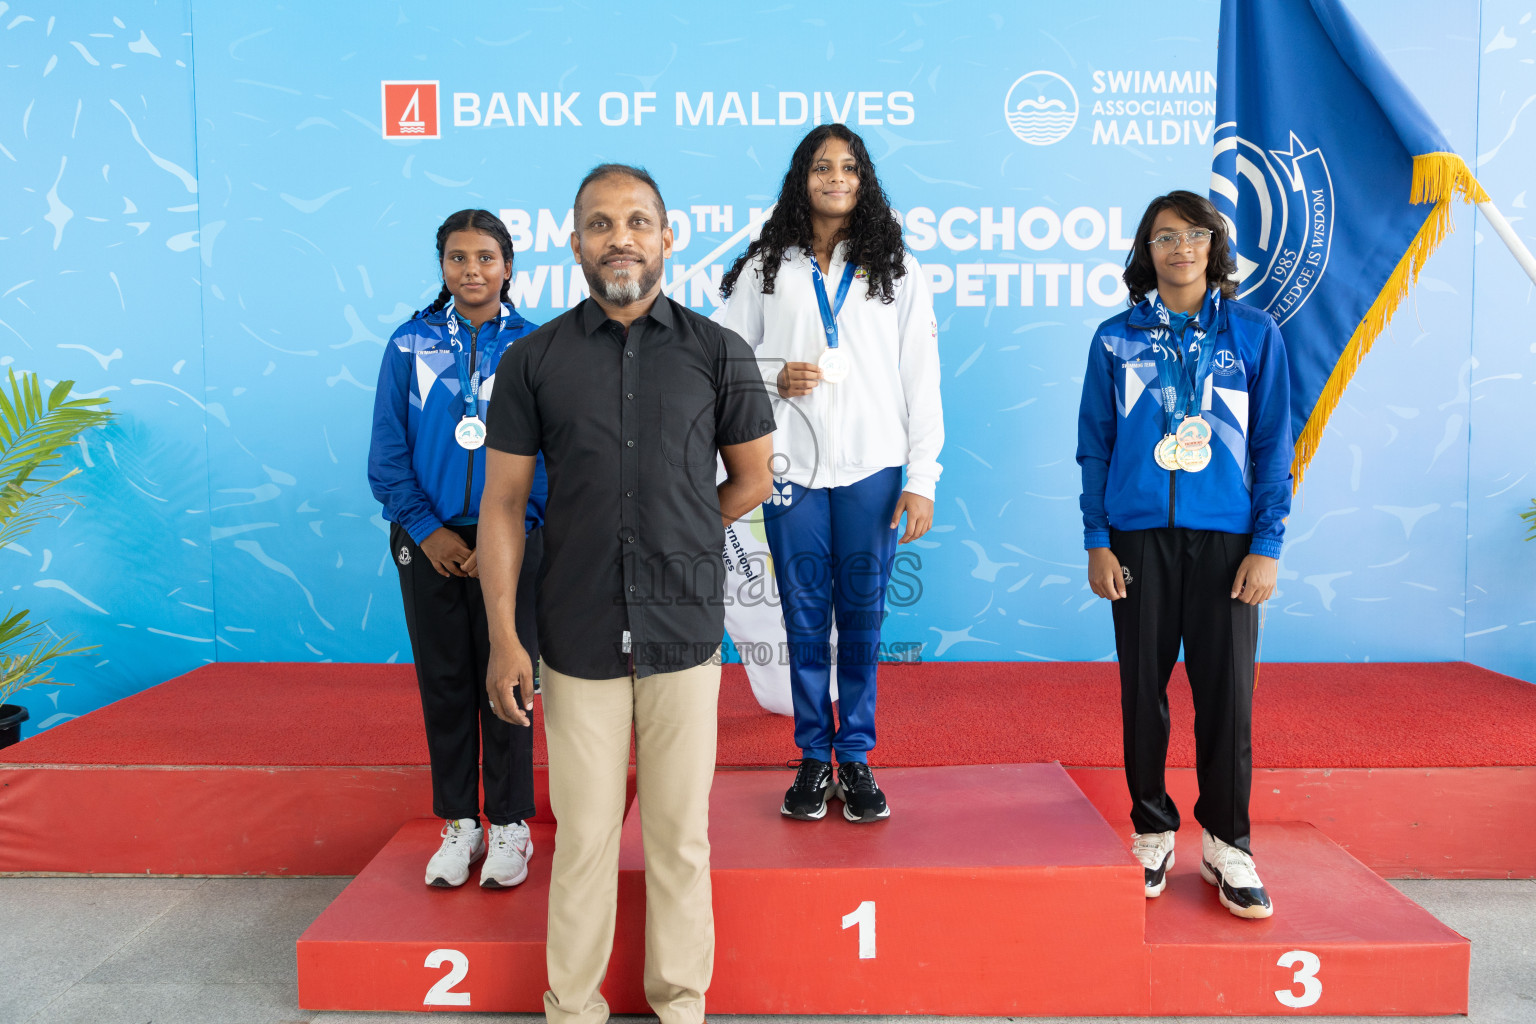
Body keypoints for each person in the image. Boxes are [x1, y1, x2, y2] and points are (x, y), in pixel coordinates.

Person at [477, 165, 775, 1024]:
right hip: (574, 634)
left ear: (667, 237)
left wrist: (681, 529)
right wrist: (506, 636)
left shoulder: (720, 351)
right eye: (601, 223)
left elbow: (752, 478)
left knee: (682, 839)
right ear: (574, 243)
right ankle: (572, 1009)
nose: (621, 237)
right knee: (585, 840)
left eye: (638, 221)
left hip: (685, 630)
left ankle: (680, 1006)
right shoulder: (533, 359)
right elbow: (502, 504)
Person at [1076, 189, 1292, 920]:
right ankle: (1152, 828)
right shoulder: (1114, 339)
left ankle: (1229, 841)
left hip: (1228, 538)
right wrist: (1097, 539)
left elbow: (1272, 449)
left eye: (1194, 234)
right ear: (1146, 251)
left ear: (1213, 248)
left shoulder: (1255, 335)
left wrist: (1266, 546)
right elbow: (1094, 447)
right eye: (1164, 237)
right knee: (1143, 689)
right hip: (1138, 536)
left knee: (1227, 695)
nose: (1180, 248)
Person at [719, 123, 943, 823]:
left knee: (865, 618)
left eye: (848, 166)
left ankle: (858, 755)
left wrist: (922, 476)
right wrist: (770, 376)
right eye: (822, 166)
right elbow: (722, 358)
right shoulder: (764, 266)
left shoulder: (897, 267)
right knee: (806, 616)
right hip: (790, 465)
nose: (835, 177)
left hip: (873, 467)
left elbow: (920, 376)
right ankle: (815, 754)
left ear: (864, 178)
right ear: (802, 177)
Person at [367, 208, 547, 890]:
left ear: (508, 265)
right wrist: (427, 529)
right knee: (444, 682)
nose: (472, 270)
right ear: (441, 265)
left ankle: (508, 825)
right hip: (429, 536)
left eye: (485, 258)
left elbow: (551, 456)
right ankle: (460, 824)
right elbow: (387, 456)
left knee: (508, 680)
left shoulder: (534, 346)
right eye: (457, 258)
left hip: (516, 535)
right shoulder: (408, 344)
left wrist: (520, 524)